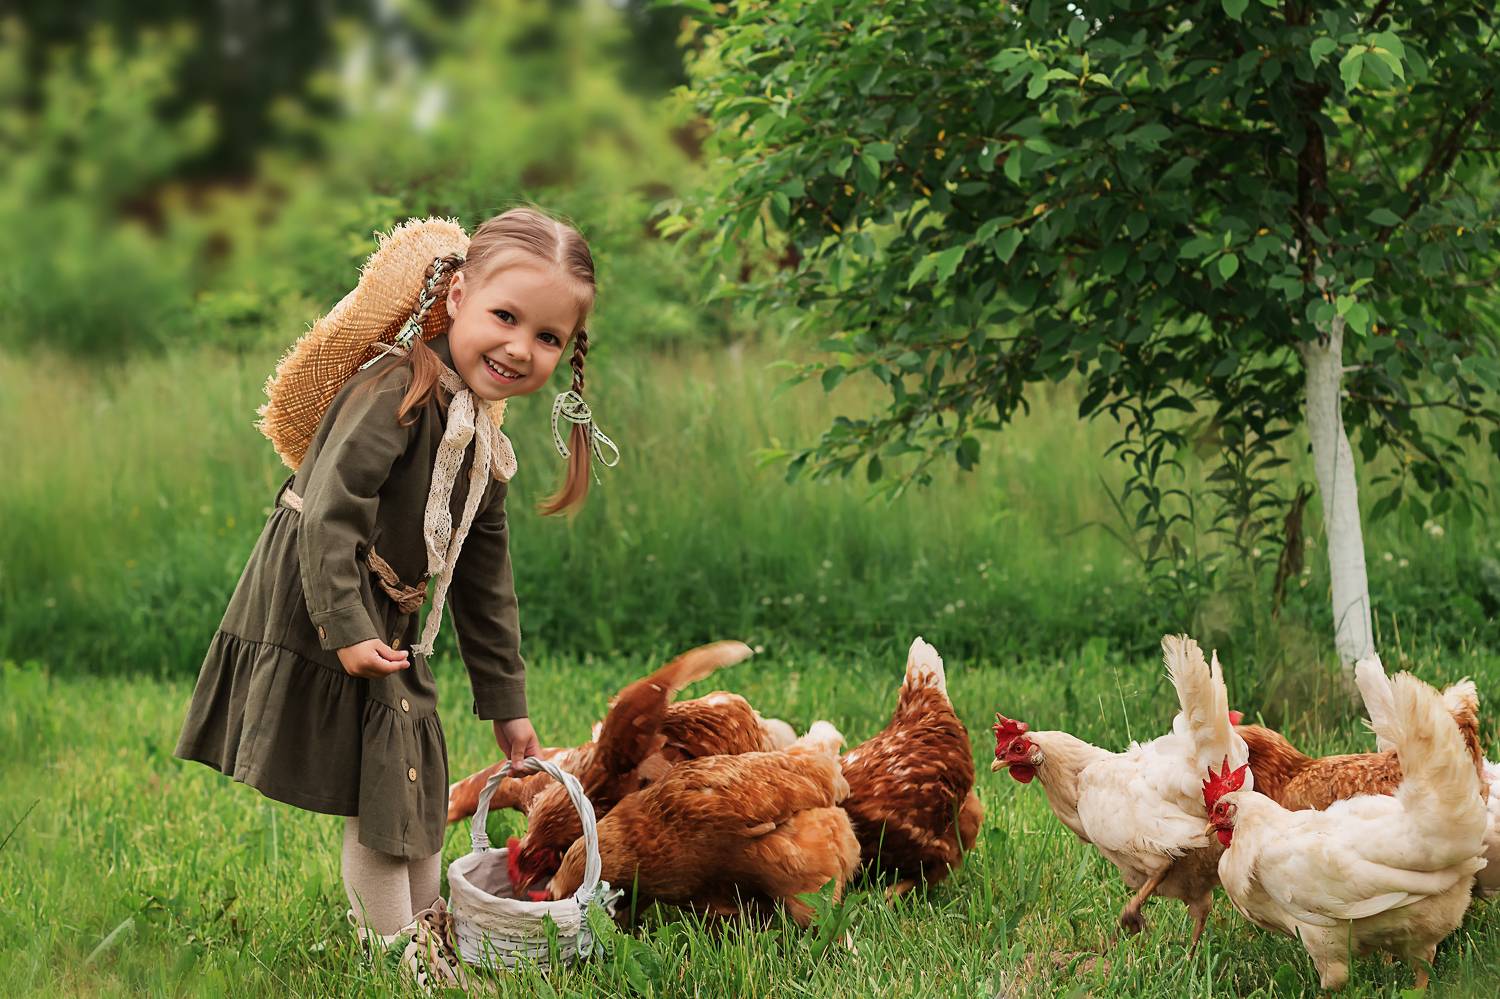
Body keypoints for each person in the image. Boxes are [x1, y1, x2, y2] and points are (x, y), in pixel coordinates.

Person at [174, 207, 616, 981]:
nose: (521, 347)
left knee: (412, 778)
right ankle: (394, 953)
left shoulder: (481, 436)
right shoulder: (397, 390)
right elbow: (330, 512)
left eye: (548, 336)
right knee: (382, 788)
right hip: (322, 591)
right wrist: (345, 625)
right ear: (457, 298)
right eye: (505, 317)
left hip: (389, 609)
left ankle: (423, 924)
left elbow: (484, 577)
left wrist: (506, 701)